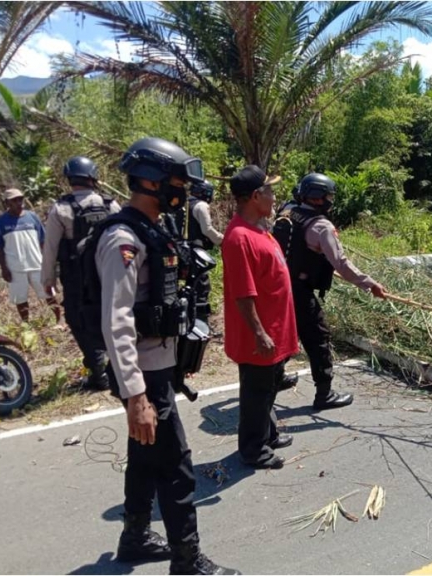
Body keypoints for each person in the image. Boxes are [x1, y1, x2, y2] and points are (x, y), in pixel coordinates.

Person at [85, 137, 238, 574]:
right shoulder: (122, 239)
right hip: (144, 374)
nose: (182, 191)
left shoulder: (154, 228)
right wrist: (137, 397)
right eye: (176, 182)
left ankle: (134, 537)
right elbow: (115, 322)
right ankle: (187, 561)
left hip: (158, 366)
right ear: (151, 182)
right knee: (176, 468)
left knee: (143, 453)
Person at [272, 173, 386, 411]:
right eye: (328, 196)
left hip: (277, 285)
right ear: (316, 197)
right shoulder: (321, 226)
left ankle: (274, 379)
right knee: (318, 338)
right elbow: (342, 264)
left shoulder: (287, 210)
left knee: (285, 333)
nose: (330, 200)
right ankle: (324, 394)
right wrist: (370, 284)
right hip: (299, 290)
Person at [222, 165, 299, 470]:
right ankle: (254, 450)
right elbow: (243, 293)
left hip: (276, 329)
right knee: (256, 393)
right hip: (260, 335)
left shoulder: (261, 229)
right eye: (270, 190)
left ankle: (268, 434)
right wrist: (259, 333)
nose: (274, 195)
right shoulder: (239, 238)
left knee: (269, 386)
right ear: (255, 196)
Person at [41, 156, 119, 390]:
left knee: (79, 321)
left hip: (77, 278)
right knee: (114, 315)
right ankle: (115, 367)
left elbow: (50, 248)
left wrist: (48, 281)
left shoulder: (61, 208)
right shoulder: (110, 204)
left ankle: (98, 371)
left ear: (70, 179)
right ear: (92, 177)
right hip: (109, 272)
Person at [0, 188, 61, 324]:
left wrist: (49, 263)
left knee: (49, 293)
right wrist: (4, 269)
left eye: (20, 199)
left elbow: (42, 241)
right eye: (14, 200)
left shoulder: (32, 217)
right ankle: (26, 325)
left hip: (37, 264)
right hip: (15, 267)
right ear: (7, 203)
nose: (19, 203)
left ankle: (60, 320)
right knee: (20, 298)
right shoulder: (1, 222)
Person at [184, 180, 223, 323]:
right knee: (202, 285)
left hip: (182, 249)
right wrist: (222, 240)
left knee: (189, 285)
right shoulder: (201, 205)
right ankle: (200, 320)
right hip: (196, 250)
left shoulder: (185, 202)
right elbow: (207, 230)